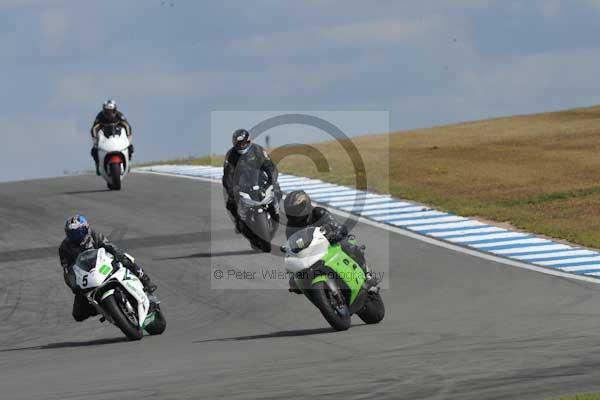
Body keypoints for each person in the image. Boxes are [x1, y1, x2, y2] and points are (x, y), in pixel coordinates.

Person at [59, 214, 156, 322]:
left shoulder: (94, 235)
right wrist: (73, 285)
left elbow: (110, 246)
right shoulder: (64, 248)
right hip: (87, 276)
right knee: (77, 314)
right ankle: (105, 307)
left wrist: (119, 255)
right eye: (72, 234)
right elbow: (67, 270)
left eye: (78, 233)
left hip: (104, 265)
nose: (76, 237)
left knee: (125, 259)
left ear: (86, 228)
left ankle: (145, 280)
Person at [283, 190, 378, 292]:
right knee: (295, 281)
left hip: (330, 245)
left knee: (348, 246)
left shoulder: (318, 212)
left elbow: (336, 226)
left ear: (305, 205)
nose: (293, 213)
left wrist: (334, 233)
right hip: (310, 255)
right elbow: (293, 247)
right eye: (290, 211)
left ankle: (367, 275)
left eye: (296, 209)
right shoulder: (290, 227)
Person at [222, 129, 281, 234]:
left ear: (249, 141)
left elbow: (270, 166)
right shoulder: (231, 155)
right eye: (239, 144)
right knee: (230, 203)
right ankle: (238, 221)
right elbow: (228, 175)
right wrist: (231, 190)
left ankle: (276, 213)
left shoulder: (258, 150)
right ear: (235, 144)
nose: (242, 146)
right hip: (241, 184)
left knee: (277, 190)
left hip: (260, 180)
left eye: (244, 143)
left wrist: (272, 180)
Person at [90, 99, 134, 175]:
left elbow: (127, 125)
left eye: (111, 111)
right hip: (105, 137)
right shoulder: (100, 116)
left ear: (115, 110)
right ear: (104, 110)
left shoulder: (119, 115)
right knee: (94, 150)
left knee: (130, 147)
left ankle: (128, 161)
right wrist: (95, 139)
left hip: (117, 136)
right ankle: (97, 164)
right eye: (107, 111)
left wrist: (128, 136)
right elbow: (94, 128)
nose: (109, 114)